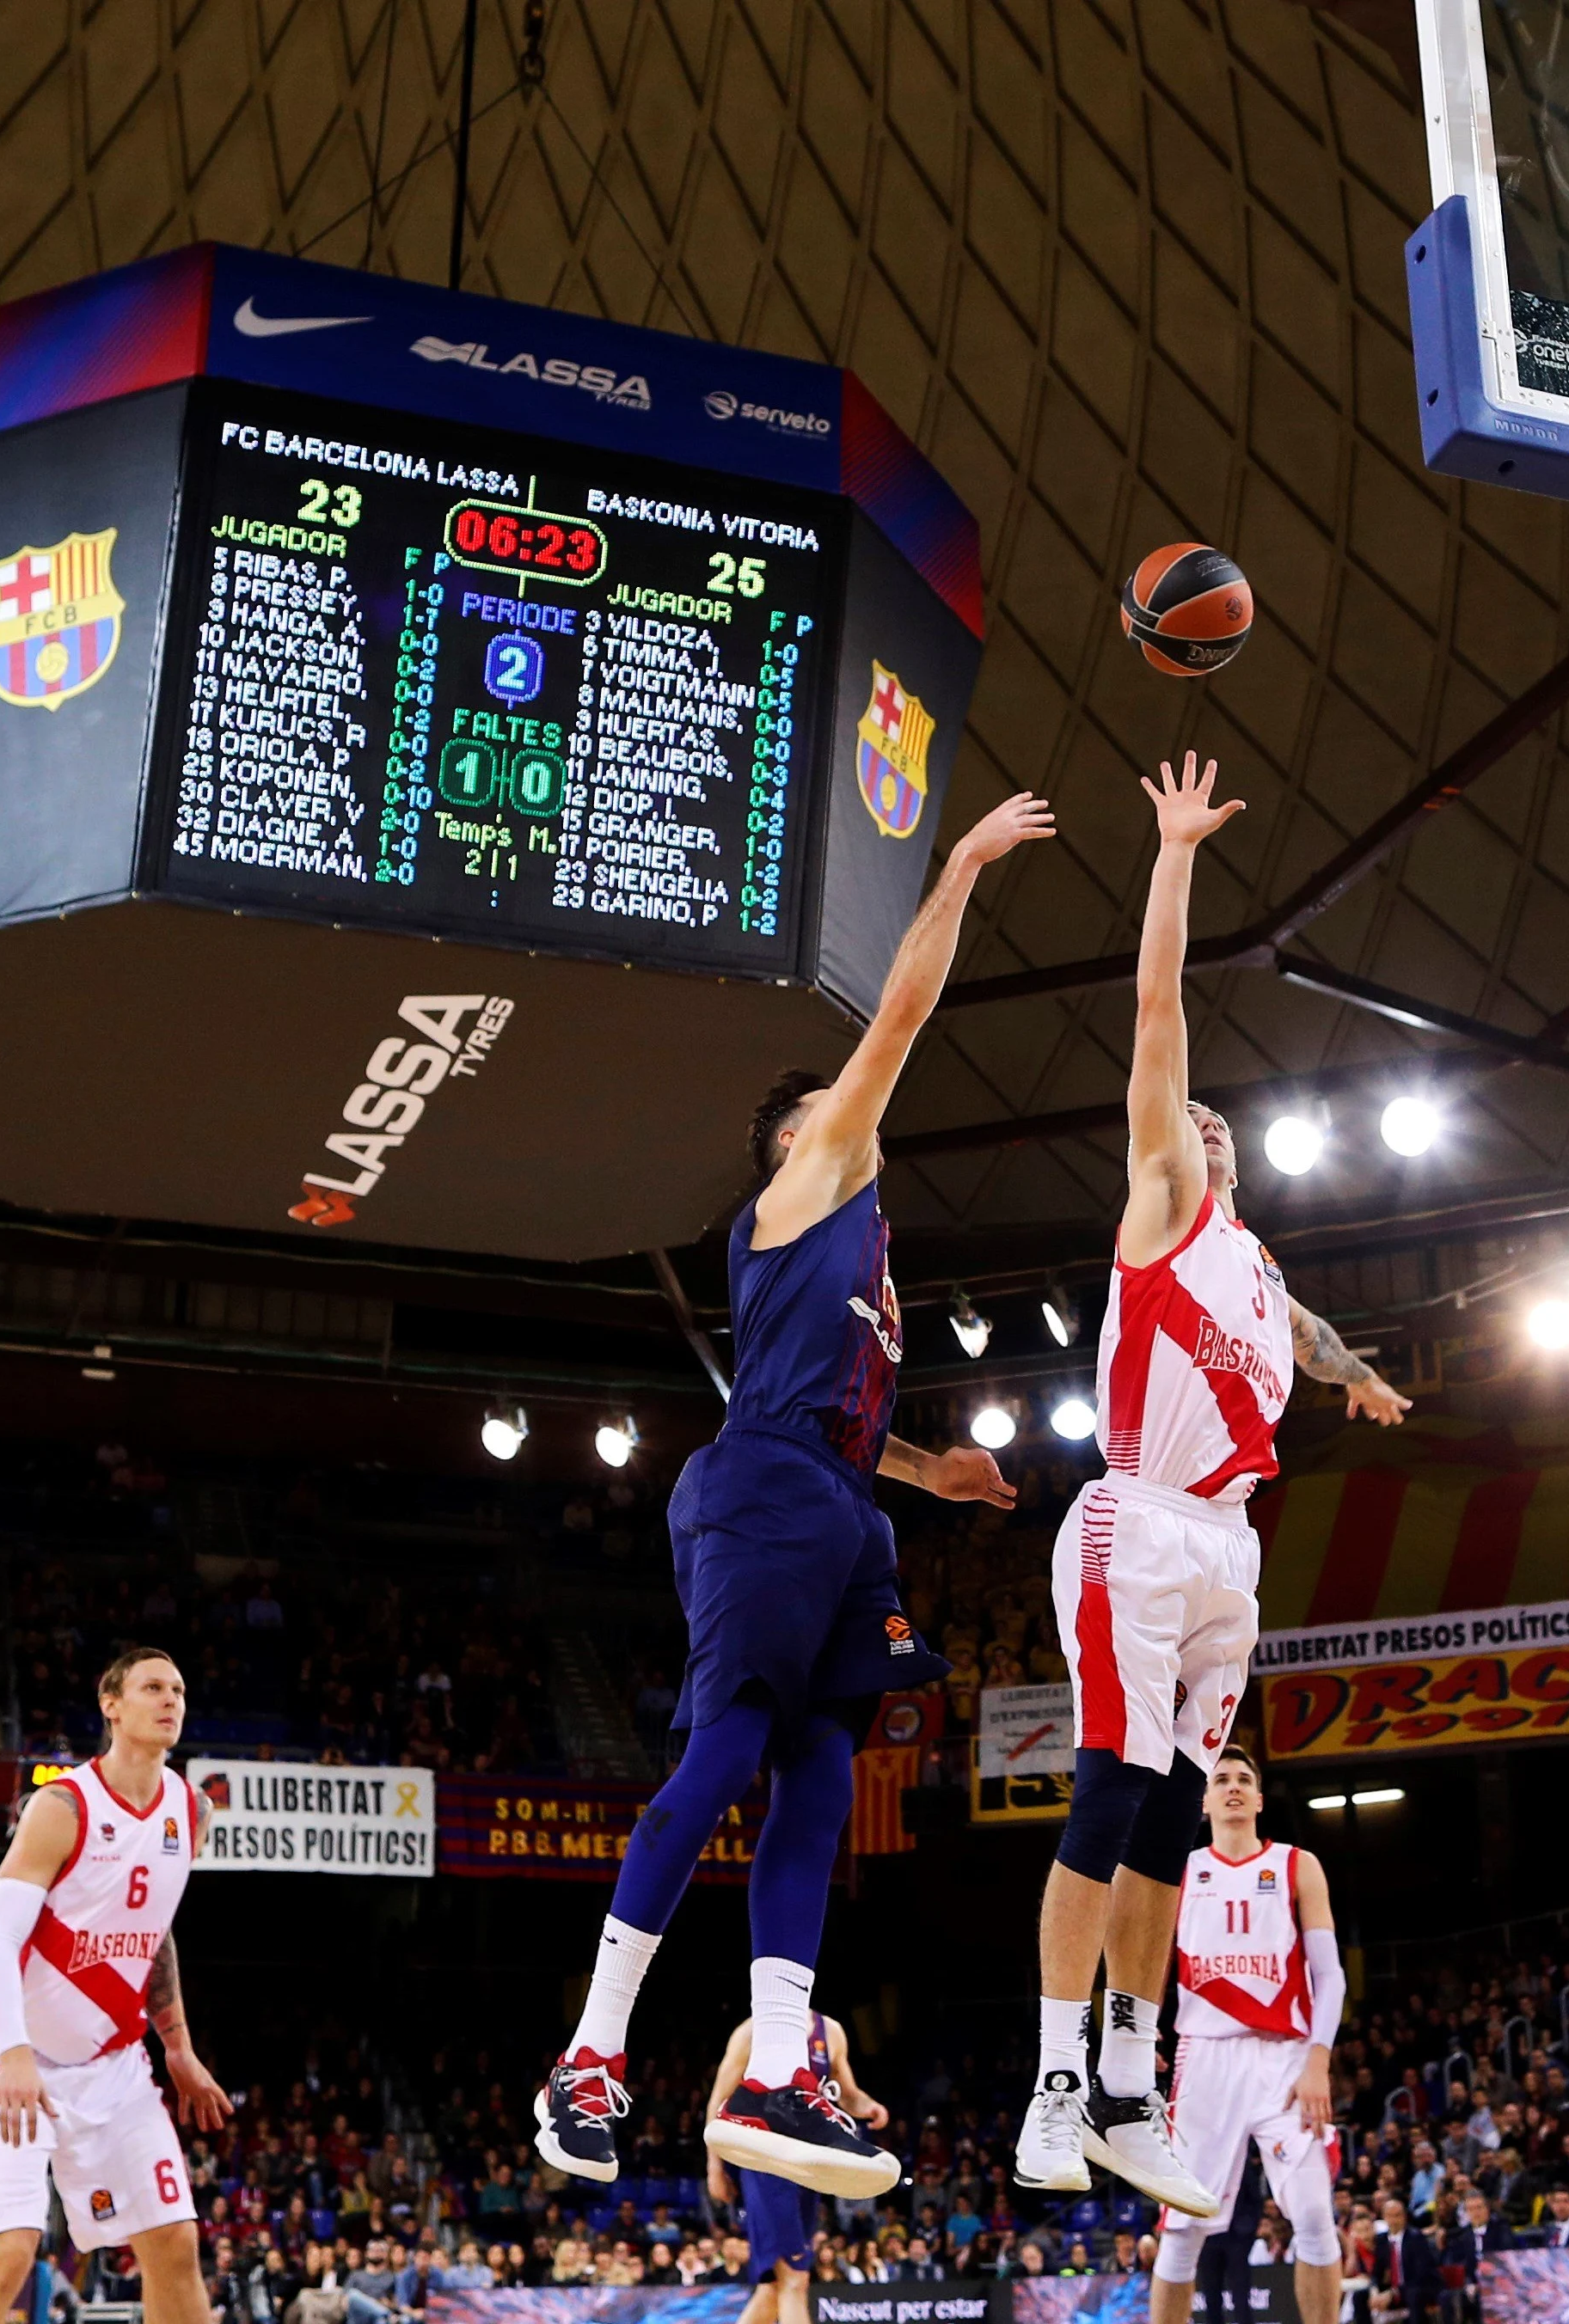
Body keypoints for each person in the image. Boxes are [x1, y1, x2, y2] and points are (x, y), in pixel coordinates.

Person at [535, 788, 1052, 2196]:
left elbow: (830, 1408)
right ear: (792, 1141)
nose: (857, 1106)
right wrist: (957, 869)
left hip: (836, 1500)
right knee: (720, 1758)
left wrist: (923, 1465)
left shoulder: (862, 1246)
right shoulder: (803, 1185)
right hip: (758, 1492)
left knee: (825, 1769)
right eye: (832, 1104)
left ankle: (776, 2061)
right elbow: (898, 1019)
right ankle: (587, 2054)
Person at [1018, 759, 1407, 2207]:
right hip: (1138, 1514)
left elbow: (1298, 1334)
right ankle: (1055, 2080)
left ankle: (1129, 2074)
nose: (1205, 1129)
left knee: (1175, 1817)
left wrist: (1352, 1368)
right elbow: (1158, 1013)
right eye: (1193, 1122)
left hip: (1230, 1551)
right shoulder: (1164, 1204)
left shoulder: (1258, 1267)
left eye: (1222, 1127)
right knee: (1111, 1787)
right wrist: (1175, 852)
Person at [0, 1648, 234, 2324]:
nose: (171, 1701)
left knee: (174, 2241)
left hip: (117, 2068)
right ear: (111, 1705)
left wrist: (179, 2049)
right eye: (153, 1687)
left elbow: (154, 1937)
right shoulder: (63, 1805)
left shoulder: (191, 1811)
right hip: (23, 2065)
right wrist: (13, 2055)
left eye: (180, 1690)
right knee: (10, 2254)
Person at [1148, 1745, 1346, 2324]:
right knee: (1182, 2228)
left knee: (1312, 2215)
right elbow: (1151, 1964)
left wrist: (1318, 2059)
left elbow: (1329, 1975)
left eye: (1242, 1779)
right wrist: (1139, 2036)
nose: (1232, 1787)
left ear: (1258, 1799)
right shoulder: (1179, 1872)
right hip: (1204, 2058)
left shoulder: (1296, 1864)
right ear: (1204, 1801)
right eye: (1220, 1780)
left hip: (1286, 2058)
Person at [705, 2007, 886, 2324]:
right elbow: (719, 2100)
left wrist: (868, 2106)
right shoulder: (751, 2032)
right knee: (794, 2278)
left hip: (810, 2166)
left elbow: (847, 2094)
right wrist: (714, 2167)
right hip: (767, 2163)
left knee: (773, 2287)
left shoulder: (829, 2030)